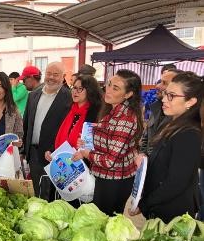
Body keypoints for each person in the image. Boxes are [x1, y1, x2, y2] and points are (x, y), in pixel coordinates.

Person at [131, 72, 203, 222]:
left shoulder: (188, 134)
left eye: (171, 95)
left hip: (172, 214)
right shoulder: (173, 123)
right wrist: (145, 161)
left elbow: (176, 182)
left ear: (190, 102)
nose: (163, 99)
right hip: (161, 208)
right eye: (165, 94)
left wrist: (144, 204)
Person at [72, 69, 143, 215]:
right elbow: (107, 141)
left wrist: (86, 153)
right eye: (109, 85)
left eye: (115, 88)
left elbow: (110, 161)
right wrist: (87, 141)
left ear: (128, 94)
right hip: (104, 177)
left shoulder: (126, 119)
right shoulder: (112, 110)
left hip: (114, 180)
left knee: (105, 223)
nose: (108, 90)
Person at [22, 61, 72, 200]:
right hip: (33, 153)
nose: (51, 77)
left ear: (63, 77)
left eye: (56, 74)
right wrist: (23, 151)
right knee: (37, 191)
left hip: (55, 155)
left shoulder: (69, 98)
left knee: (53, 195)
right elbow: (26, 123)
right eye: (49, 73)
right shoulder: (33, 95)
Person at [45, 75, 102, 161]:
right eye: (74, 88)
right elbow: (59, 135)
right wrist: (51, 151)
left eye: (80, 89)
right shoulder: (68, 109)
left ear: (90, 91)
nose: (75, 92)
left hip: (84, 164)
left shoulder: (96, 114)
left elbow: (98, 144)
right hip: (63, 161)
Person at [139, 68, 181, 156]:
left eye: (164, 83)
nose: (157, 86)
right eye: (160, 81)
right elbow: (146, 137)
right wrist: (143, 156)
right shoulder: (156, 107)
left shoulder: (180, 118)